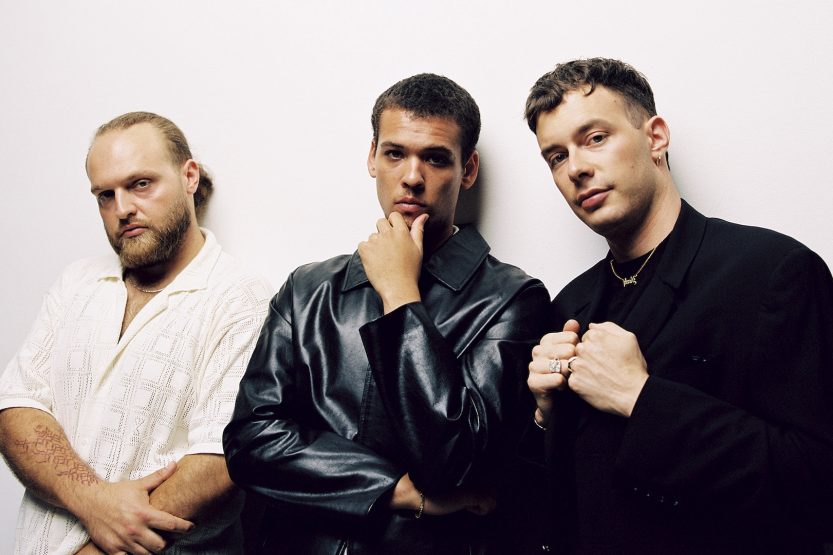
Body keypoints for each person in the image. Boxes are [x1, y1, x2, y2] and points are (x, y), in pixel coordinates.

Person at [223, 73, 551, 554]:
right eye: (395, 153)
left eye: (435, 158)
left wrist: (399, 294)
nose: (412, 177)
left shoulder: (513, 298)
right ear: (372, 158)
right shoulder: (308, 289)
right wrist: (394, 490)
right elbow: (250, 443)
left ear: (468, 169)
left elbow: (457, 462)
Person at [524, 57, 833, 554]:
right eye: (556, 156)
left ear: (656, 137)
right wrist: (544, 417)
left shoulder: (774, 272)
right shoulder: (568, 306)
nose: (576, 168)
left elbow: (817, 481)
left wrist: (641, 397)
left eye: (595, 138)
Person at [0, 112, 271, 555]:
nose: (122, 208)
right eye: (105, 195)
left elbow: (220, 459)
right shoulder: (77, 282)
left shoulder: (240, 297)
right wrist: (92, 499)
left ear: (189, 176)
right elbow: (16, 406)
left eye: (140, 184)